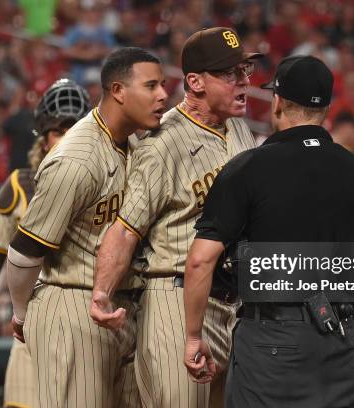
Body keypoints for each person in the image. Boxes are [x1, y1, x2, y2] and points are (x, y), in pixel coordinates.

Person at [183, 55, 354, 407]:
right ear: (326, 106)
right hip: (341, 336)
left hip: (272, 338)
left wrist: (191, 336)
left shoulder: (247, 168)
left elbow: (201, 261)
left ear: (277, 102)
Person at [90, 28, 259, 408]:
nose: (245, 82)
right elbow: (126, 228)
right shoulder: (162, 144)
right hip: (176, 299)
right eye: (231, 74)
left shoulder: (241, 130)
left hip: (237, 306)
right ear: (195, 82)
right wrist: (102, 292)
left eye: (245, 70)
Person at [6, 47, 167, 408]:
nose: (162, 95)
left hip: (126, 308)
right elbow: (23, 251)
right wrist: (21, 313)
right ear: (118, 91)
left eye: (163, 85)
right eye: (152, 85)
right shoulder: (76, 159)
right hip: (73, 303)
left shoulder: (139, 142)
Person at [0, 78, 91, 408]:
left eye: (75, 128)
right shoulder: (21, 185)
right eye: (60, 130)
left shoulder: (113, 177)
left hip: (91, 323)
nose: (68, 138)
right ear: (44, 138)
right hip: (30, 325)